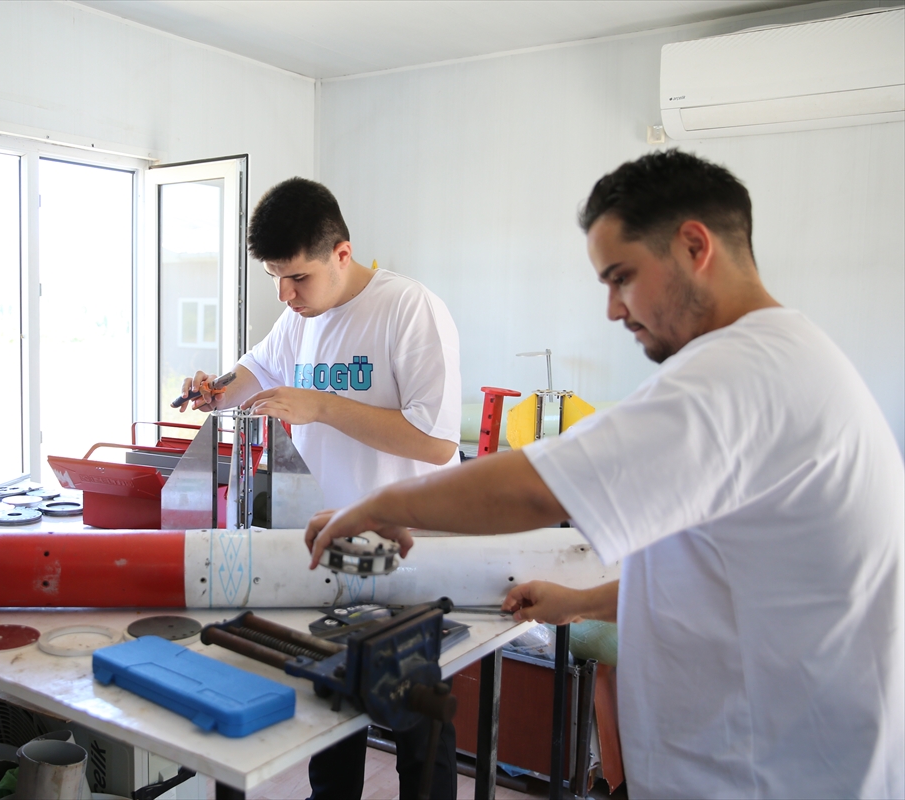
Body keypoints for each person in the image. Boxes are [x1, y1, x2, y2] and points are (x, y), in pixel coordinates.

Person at [304, 150, 904, 799]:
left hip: (766, 777)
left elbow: (536, 487)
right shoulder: (794, 354)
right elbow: (743, 579)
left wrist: (381, 505)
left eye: (622, 277)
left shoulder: (738, 374)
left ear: (694, 245)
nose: (614, 309)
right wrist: (586, 602)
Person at [178, 177, 463, 799]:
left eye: (298, 278)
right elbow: (257, 372)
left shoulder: (409, 309)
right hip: (326, 544)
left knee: (418, 726)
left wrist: (323, 406)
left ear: (342, 253)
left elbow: (436, 441)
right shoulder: (297, 316)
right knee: (333, 710)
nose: (286, 295)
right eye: (276, 278)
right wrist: (218, 391)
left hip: (405, 554)